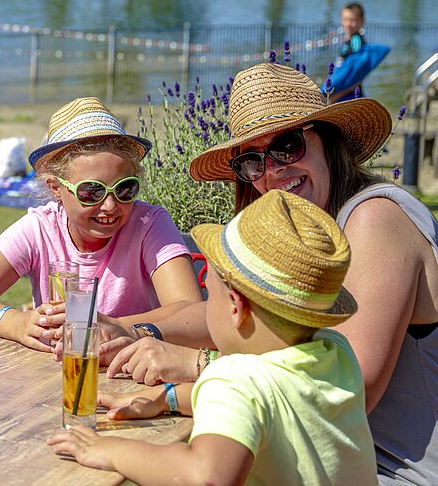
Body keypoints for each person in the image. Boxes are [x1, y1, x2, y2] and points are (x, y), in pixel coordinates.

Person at [103, 62, 437, 484]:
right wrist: (124, 329)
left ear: (327, 140)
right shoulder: (303, 236)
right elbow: (221, 315)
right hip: (323, 455)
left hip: (394, 471)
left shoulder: (373, 217)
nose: (272, 170)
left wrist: (201, 367)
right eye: (252, 161)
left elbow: (354, 389)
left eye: (287, 145)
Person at [48, 189, 376, 485]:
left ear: (236, 306)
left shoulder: (235, 380)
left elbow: (205, 475)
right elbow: (267, 399)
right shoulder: (336, 351)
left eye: (210, 290)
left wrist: (108, 449)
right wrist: (167, 399)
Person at [0, 97, 201, 352]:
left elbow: (191, 309)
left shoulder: (149, 224)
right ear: (55, 187)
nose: (110, 206)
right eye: (92, 191)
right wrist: (15, 322)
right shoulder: (40, 229)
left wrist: (116, 327)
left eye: (125, 188)